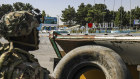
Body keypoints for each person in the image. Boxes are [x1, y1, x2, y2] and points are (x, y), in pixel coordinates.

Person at [0, 11, 49, 79]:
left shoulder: (5, 53)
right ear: (23, 35)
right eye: (34, 29)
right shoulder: (29, 71)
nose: (38, 33)